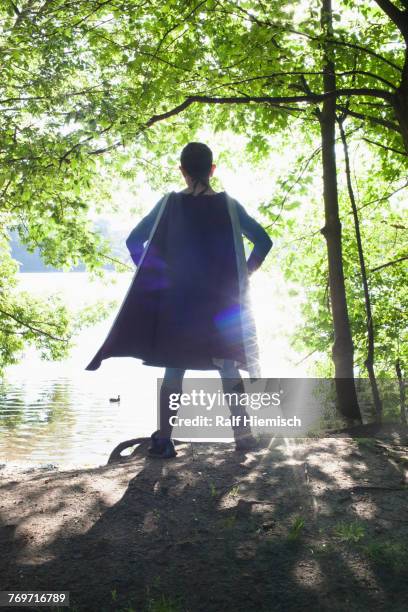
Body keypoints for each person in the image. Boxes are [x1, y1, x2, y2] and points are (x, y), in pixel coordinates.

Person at [85, 142, 272, 458]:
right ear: (213, 170)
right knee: (228, 367)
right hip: (220, 305)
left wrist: (155, 277)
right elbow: (264, 242)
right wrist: (243, 275)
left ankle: (164, 441)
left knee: (175, 369)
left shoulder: (168, 204)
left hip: (178, 306)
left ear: (182, 171)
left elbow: (133, 241)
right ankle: (244, 438)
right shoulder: (229, 206)